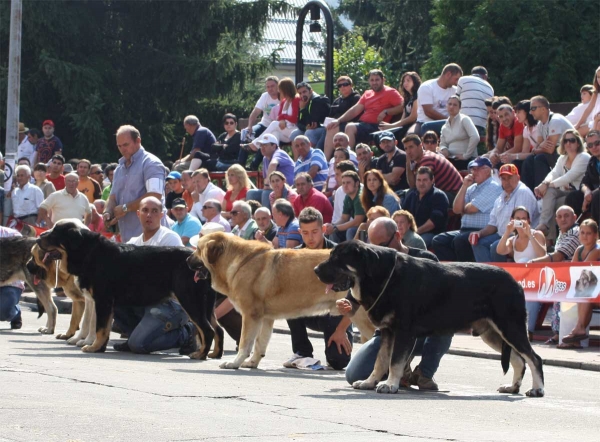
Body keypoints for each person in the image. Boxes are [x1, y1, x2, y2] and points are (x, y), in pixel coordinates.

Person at [342, 217, 452, 390]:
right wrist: (345, 309)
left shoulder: (425, 259)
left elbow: (441, 298)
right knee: (353, 375)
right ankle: (399, 367)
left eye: (383, 246)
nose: (377, 251)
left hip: (421, 331)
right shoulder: (371, 264)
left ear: (398, 236)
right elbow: (353, 301)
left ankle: (424, 373)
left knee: (447, 321)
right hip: (387, 333)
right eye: (373, 247)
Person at [113, 197, 198, 356]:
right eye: (145, 210)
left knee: (139, 345)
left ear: (162, 215)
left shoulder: (169, 238)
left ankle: (186, 332)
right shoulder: (134, 242)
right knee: (113, 298)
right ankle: (136, 334)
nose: (149, 215)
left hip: (170, 303)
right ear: (138, 214)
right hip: (145, 300)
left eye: (154, 211)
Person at [283, 207, 353, 370]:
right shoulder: (294, 256)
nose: (310, 237)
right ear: (300, 232)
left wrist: (342, 329)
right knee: (287, 300)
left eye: (314, 231)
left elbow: (356, 296)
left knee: (339, 362)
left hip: (335, 314)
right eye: (305, 233)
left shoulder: (339, 254)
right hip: (308, 311)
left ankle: (336, 343)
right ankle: (302, 351)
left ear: (323, 229)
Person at [103, 125, 167, 243]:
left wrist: (125, 208)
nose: (122, 149)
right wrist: (108, 211)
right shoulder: (119, 169)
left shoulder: (152, 163)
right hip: (127, 238)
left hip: (152, 239)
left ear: (138, 141)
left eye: (126, 145)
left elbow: (155, 196)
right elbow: (112, 197)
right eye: (119, 146)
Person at [528, 205, 581, 345]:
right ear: (556, 220)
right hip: (562, 277)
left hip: (576, 279)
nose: (563, 219)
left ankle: (561, 335)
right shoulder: (564, 233)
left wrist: (533, 262)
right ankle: (557, 333)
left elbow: (558, 256)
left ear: (574, 217)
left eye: (567, 215)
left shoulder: (576, 231)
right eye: (560, 216)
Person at [432, 156, 502, 262]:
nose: (474, 172)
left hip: (482, 231)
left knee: (460, 240)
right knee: (439, 240)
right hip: (464, 230)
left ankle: (466, 274)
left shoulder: (493, 187)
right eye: (472, 169)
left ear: (487, 171)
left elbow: (472, 208)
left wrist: (463, 208)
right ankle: (452, 272)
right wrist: (464, 186)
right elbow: (456, 209)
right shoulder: (470, 188)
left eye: (477, 169)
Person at [325, 70, 404, 155]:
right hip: (363, 125)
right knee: (332, 127)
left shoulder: (390, 92)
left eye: (377, 80)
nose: (374, 82)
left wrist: (386, 111)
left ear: (383, 80)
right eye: (372, 80)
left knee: (350, 127)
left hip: (377, 127)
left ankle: (349, 158)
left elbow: (403, 106)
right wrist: (338, 120)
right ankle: (326, 162)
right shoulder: (367, 93)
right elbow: (355, 110)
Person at [471, 163, 539, 262]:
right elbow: (493, 224)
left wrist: (505, 237)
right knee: (478, 243)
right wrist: (480, 233)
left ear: (518, 178)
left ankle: (500, 275)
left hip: (521, 235)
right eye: (503, 179)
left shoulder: (523, 192)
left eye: (510, 178)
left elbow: (523, 224)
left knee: (496, 247)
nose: (506, 182)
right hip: (502, 235)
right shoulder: (501, 197)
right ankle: (487, 274)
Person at [534, 129, 590, 238]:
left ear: (578, 143)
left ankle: (551, 238)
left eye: (572, 140)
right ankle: (544, 226)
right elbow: (554, 173)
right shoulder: (562, 158)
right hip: (566, 192)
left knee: (551, 202)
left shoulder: (584, 157)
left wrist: (544, 186)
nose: (568, 143)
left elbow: (568, 177)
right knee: (549, 194)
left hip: (579, 194)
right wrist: (544, 183)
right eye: (565, 141)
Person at [560, 220, 600, 349]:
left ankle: (579, 328)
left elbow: (583, 270)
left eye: (588, 233)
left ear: (596, 235)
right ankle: (575, 337)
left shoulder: (597, 250)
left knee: (585, 289)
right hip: (589, 289)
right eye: (582, 232)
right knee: (581, 291)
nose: (584, 236)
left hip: (595, 288)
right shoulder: (579, 249)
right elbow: (573, 271)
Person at [522, 95, 574, 191]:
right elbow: (538, 146)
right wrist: (540, 147)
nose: (530, 112)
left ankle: (542, 192)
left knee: (540, 158)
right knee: (529, 159)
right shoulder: (540, 124)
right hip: (557, 152)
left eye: (533, 108)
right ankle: (528, 191)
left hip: (569, 154)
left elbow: (549, 150)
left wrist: (538, 148)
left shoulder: (555, 120)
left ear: (543, 109)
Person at [403, 134, 463, 202]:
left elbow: (417, 187)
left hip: (455, 195)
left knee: (416, 197)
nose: (408, 152)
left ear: (420, 146)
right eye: (406, 149)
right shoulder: (419, 160)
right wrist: (407, 163)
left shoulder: (427, 159)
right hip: (445, 192)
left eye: (411, 147)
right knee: (404, 195)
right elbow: (413, 185)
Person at [244, 77, 300, 148]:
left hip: (293, 130)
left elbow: (294, 119)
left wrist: (284, 117)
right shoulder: (284, 101)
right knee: (273, 134)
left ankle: (255, 144)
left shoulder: (296, 99)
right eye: (268, 87)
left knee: (274, 124)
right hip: (284, 129)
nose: (279, 91)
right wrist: (282, 119)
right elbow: (279, 116)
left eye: (280, 89)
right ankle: (273, 157)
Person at [403, 166, 449, 248]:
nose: (421, 183)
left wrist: (415, 232)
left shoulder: (438, 196)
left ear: (432, 180)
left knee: (413, 243)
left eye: (425, 180)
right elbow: (403, 215)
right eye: (419, 180)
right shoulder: (411, 194)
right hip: (411, 232)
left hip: (432, 234)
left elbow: (433, 223)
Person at [240, 76, 280, 170]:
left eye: (272, 86)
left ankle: (254, 165)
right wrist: (249, 126)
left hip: (275, 128)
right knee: (246, 133)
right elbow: (255, 112)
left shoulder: (282, 96)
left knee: (265, 140)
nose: (270, 89)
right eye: (268, 86)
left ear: (278, 86)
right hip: (264, 124)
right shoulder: (264, 96)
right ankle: (240, 164)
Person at [245, 133, 294, 209]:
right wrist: (267, 185)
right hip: (276, 189)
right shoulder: (265, 158)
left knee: (266, 193)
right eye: (261, 145)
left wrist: (267, 185)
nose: (262, 148)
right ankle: (251, 218)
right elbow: (266, 178)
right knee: (251, 193)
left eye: (265, 145)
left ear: (274, 146)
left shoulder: (279, 153)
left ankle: (267, 218)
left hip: (288, 189)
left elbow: (273, 164)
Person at [316, 76, 361, 152]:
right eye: (340, 86)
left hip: (348, 125)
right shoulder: (337, 100)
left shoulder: (356, 98)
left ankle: (323, 157)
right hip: (333, 125)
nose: (342, 87)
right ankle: (316, 154)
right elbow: (330, 116)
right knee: (312, 132)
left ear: (351, 85)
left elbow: (355, 115)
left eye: (345, 84)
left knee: (330, 129)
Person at [416, 63, 463, 135]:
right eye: (456, 79)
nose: (457, 83)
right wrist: (449, 121)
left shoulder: (456, 90)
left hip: (449, 124)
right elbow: (429, 112)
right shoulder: (427, 87)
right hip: (426, 123)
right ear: (448, 74)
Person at [438, 95, 480, 170]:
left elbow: (475, 137)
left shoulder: (464, 119)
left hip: (467, 159)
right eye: (450, 104)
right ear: (446, 106)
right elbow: (442, 144)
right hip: (451, 159)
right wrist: (444, 149)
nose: (451, 107)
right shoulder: (444, 127)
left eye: (455, 105)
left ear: (459, 108)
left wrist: (466, 156)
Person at [566, 130, 600, 219]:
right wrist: (587, 192)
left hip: (597, 195)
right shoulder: (592, 162)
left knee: (597, 196)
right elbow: (584, 183)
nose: (594, 147)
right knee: (573, 197)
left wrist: (591, 194)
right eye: (590, 145)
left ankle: (596, 230)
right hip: (595, 195)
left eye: (597, 143)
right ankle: (573, 230)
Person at [324, 171, 366, 242]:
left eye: (348, 183)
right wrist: (332, 226)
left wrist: (336, 227)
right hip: (358, 226)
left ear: (357, 183)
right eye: (343, 183)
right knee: (331, 232)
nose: (345, 185)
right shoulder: (348, 197)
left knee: (350, 231)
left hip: (366, 227)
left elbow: (357, 222)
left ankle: (351, 252)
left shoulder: (360, 196)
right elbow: (344, 218)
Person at [378, 71, 421, 140]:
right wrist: (390, 126)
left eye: (408, 81)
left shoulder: (417, 96)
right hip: (405, 125)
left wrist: (391, 126)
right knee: (382, 136)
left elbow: (413, 117)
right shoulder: (407, 99)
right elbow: (403, 119)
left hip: (416, 124)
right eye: (404, 81)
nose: (405, 83)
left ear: (415, 82)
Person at [455, 66, 494, 134]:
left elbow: (455, 99)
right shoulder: (490, 87)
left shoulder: (463, 79)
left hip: (463, 121)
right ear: (485, 76)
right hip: (481, 124)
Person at [0, 226, 25, 329]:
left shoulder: (12, 235)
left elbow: (22, 261)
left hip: (9, 284)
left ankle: (16, 313)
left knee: (3, 312)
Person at [290, 82, 331, 146]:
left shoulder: (318, 100)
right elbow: (298, 122)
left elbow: (312, 122)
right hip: (310, 128)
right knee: (294, 134)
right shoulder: (303, 102)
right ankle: (298, 156)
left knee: (309, 133)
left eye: (304, 92)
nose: (302, 95)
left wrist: (303, 109)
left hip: (323, 128)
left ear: (311, 91)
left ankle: (311, 155)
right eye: (300, 93)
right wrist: (305, 127)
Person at [509, 100, 539, 170]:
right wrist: (509, 156)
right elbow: (525, 152)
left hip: (542, 156)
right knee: (516, 163)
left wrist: (513, 156)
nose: (516, 115)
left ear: (527, 112)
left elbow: (538, 152)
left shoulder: (539, 127)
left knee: (528, 162)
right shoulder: (526, 129)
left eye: (519, 112)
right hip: (533, 156)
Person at [574, 67, 600, 137]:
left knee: (597, 127)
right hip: (593, 122)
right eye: (598, 77)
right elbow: (588, 109)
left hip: (598, 122)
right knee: (574, 134)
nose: (599, 80)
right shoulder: (596, 93)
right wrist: (577, 125)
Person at [331, 160, 357, 225]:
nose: (335, 178)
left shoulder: (361, 191)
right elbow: (336, 216)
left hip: (355, 227)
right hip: (341, 225)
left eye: (337, 174)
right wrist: (333, 227)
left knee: (350, 231)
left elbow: (357, 221)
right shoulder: (338, 191)